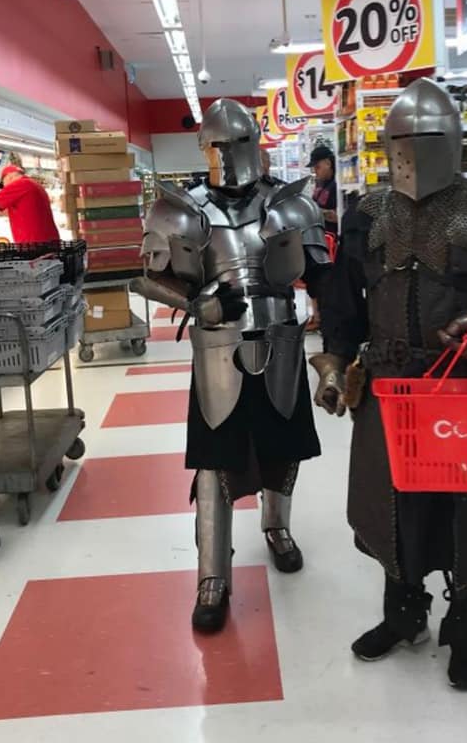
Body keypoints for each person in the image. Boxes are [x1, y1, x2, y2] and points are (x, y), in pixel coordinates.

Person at [311, 78, 467, 690]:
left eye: (427, 140)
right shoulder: (367, 214)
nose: (414, 155)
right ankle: (404, 614)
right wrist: (335, 365)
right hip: (388, 381)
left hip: (463, 380)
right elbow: (343, 303)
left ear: (453, 141)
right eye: (404, 143)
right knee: (393, 503)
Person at [131, 98, 331, 633]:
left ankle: (277, 527)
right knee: (215, 460)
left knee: (283, 448)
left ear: (254, 144)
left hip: (282, 340)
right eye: (219, 145)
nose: (229, 154)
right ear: (205, 150)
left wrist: (335, 344)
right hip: (217, 345)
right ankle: (212, 576)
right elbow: (148, 277)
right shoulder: (182, 208)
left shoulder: (289, 203)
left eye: (239, 143)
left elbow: (321, 274)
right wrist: (199, 302)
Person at [306, 145, 337, 331]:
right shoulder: (320, 185)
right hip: (319, 240)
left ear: (327, 163)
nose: (315, 171)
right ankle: (317, 316)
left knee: (327, 282)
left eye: (317, 166)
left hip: (333, 243)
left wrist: (316, 212)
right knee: (313, 278)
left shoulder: (337, 186)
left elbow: (338, 215)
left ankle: (325, 318)